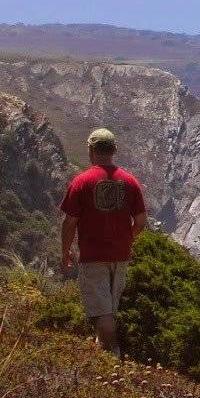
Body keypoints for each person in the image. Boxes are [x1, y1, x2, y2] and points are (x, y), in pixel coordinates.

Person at [59, 128, 148, 355]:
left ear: (90, 150)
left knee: (102, 312)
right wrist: (127, 238)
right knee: (110, 307)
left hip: (93, 255)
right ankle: (102, 350)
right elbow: (140, 220)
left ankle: (112, 355)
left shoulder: (81, 182)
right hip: (121, 255)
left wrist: (65, 252)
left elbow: (69, 223)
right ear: (114, 150)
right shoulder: (130, 181)